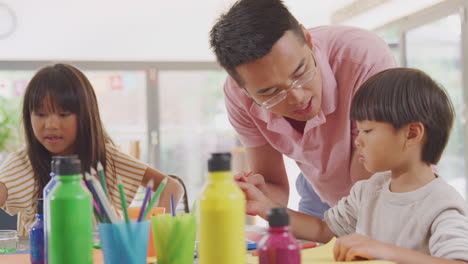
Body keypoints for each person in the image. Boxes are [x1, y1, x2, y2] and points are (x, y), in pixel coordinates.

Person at [238, 68, 468, 263]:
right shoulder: (370, 189)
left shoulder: (442, 204)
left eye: (367, 131)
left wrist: (384, 251)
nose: (358, 140)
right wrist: (264, 206)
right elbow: (322, 230)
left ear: (411, 134)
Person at [209, 0, 397, 218]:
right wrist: (258, 195)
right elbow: (275, 190)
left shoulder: (364, 59)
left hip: (386, 192)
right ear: (243, 89)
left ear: (309, 41)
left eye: (300, 73)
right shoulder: (238, 97)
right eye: (271, 92)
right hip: (319, 188)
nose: (297, 98)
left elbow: (369, 191)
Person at [0, 63, 184, 235]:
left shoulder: (106, 156)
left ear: (85, 115)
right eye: (40, 114)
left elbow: (172, 186)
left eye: (64, 114)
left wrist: (153, 233)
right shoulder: (23, 163)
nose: (51, 124)